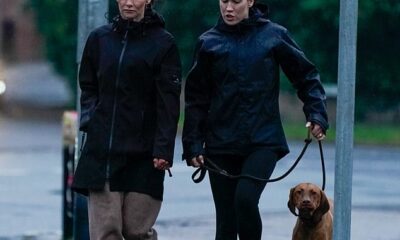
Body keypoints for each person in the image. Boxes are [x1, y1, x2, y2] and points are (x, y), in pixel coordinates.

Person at [182, 0, 328, 239]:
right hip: (220, 143)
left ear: (250, 1)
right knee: (225, 219)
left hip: (263, 140)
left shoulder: (274, 35)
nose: (228, 8)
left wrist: (316, 113)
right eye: (223, 1)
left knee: (245, 200)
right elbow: (196, 98)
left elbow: (306, 76)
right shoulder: (208, 42)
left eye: (236, 1)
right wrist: (193, 143)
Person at [72, 0, 181, 239]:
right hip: (103, 153)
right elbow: (88, 85)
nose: (129, 2)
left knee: (137, 232)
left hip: (144, 156)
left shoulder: (163, 43)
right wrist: (92, 118)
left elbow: (168, 103)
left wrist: (163, 149)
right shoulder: (99, 39)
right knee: (105, 232)